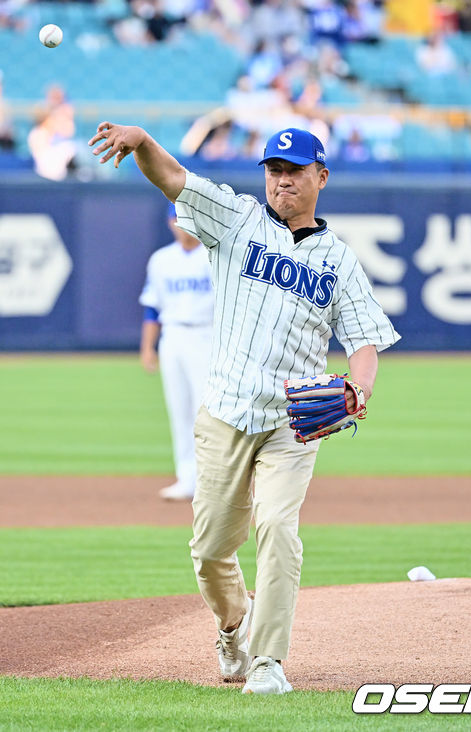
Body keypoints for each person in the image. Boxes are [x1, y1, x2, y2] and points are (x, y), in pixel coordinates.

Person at [89, 122, 400, 694]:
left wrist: (360, 387)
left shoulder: (339, 261)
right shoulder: (236, 218)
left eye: (294, 171)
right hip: (226, 412)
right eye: (274, 170)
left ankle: (268, 661)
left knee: (279, 528)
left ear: (321, 177)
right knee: (210, 550)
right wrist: (141, 142)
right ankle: (233, 625)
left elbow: (362, 340)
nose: (281, 180)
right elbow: (174, 180)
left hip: (293, 422)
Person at [139, 204, 214, 500]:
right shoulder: (161, 260)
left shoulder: (213, 256)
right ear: (170, 222)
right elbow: (151, 306)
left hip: (207, 334)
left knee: (205, 412)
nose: (182, 225)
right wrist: (148, 347)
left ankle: (211, 480)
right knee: (179, 410)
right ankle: (187, 479)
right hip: (172, 336)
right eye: (177, 219)